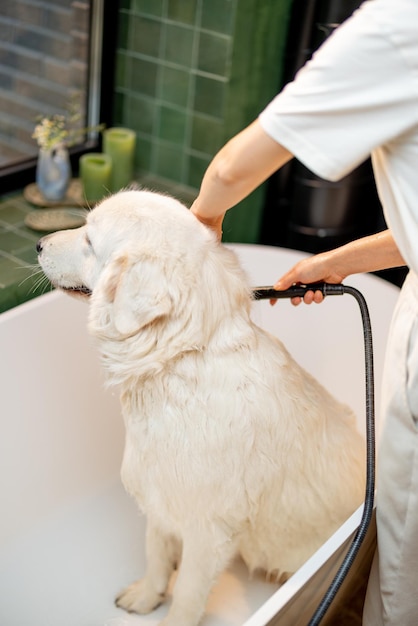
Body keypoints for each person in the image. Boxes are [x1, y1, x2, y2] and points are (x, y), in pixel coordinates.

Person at [190, 0, 418, 623]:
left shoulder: (401, 23)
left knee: (406, 552)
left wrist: (203, 219)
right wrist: (343, 261)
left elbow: (241, 162)